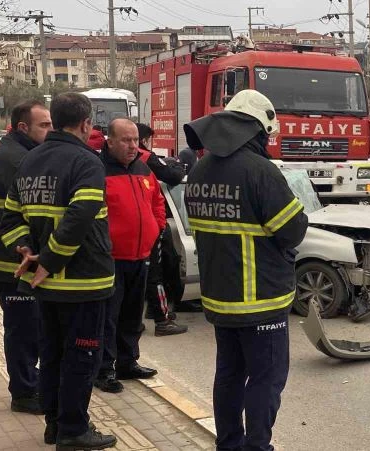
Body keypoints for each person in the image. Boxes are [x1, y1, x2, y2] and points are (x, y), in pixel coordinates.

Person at [183, 90, 307, 451]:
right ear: (257, 131)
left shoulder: (201, 169)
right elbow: (292, 230)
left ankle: (230, 445)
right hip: (261, 300)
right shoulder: (260, 171)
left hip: (220, 300)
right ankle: (257, 447)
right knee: (265, 381)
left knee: (229, 377)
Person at [0, 92, 117, 449]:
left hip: (45, 286)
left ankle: (54, 424)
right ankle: (73, 429)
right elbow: (79, 218)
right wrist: (49, 262)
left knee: (51, 354)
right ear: (85, 124)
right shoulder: (87, 162)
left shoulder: (31, 160)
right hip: (83, 282)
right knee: (82, 355)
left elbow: (11, 217)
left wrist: (30, 252)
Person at [0, 100, 52, 415]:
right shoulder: (15, 159)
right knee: (23, 327)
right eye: (44, 125)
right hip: (9, 262)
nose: (51, 130)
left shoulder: (17, 151)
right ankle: (24, 392)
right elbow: (32, 209)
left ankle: (28, 384)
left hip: (12, 259)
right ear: (24, 127)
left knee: (29, 326)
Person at [94, 118, 161, 393]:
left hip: (140, 256)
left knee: (133, 315)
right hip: (111, 258)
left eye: (135, 140)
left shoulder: (143, 169)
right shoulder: (98, 171)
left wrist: (155, 229)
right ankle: (104, 369)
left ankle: (127, 362)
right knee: (109, 317)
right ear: (110, 141)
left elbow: (157, 201)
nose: (133, 145)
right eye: (126, 140)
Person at [134, 123, 190, 335]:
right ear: (144, 139)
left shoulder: (108, 161)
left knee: (136, 273)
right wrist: (177, 166)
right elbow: (173, 177)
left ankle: (140, 316)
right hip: (150, 226)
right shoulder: (145, 158)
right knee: (157, 272)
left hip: (134, 227)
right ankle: (162, 319)